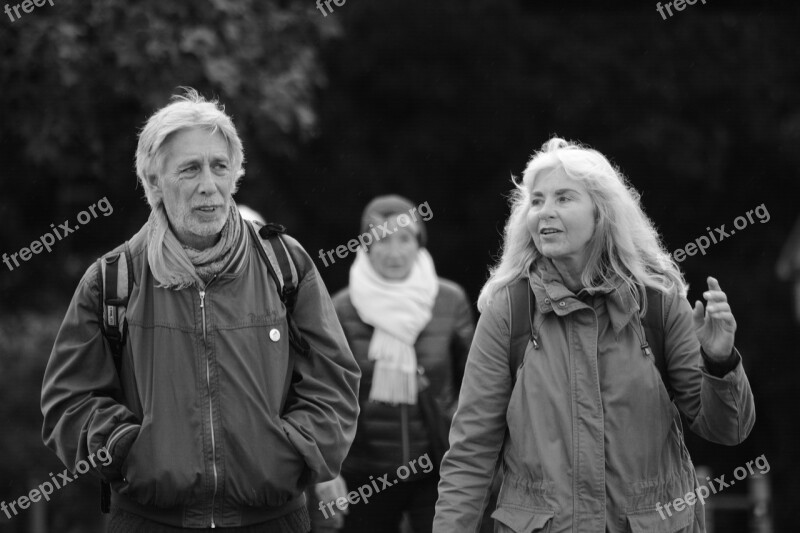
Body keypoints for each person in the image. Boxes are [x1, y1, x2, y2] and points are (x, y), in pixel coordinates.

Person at [40, 89, 361, 532]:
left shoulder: (285, 264)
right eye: (190, 169)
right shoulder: (112, 278)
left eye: (219, 167)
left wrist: (291, 451)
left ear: (235, 176)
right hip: (147, 520)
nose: (209, 185)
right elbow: (68, 401)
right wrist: (127, 449)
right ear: (154, 182)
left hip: (274, 518)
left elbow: (334, 380)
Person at [433, 138, 755, 533]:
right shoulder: (509, 308)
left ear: (602, 213)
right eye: (536, 201)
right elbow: (471, 452)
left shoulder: (658, 301)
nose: (544, 212)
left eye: (563, 198)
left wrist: (720, 363)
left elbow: (728, 430)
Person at [307, 195, 474, 533]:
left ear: (419, 243)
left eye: (404, 238)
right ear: (365, 247)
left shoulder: (450, 300)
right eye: (381, 240)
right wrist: (327, 471)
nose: (394, 251)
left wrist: (464, 442)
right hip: (364, 473)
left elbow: (477, 383)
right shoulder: (340, 308)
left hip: (437, 467)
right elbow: (322, 394)